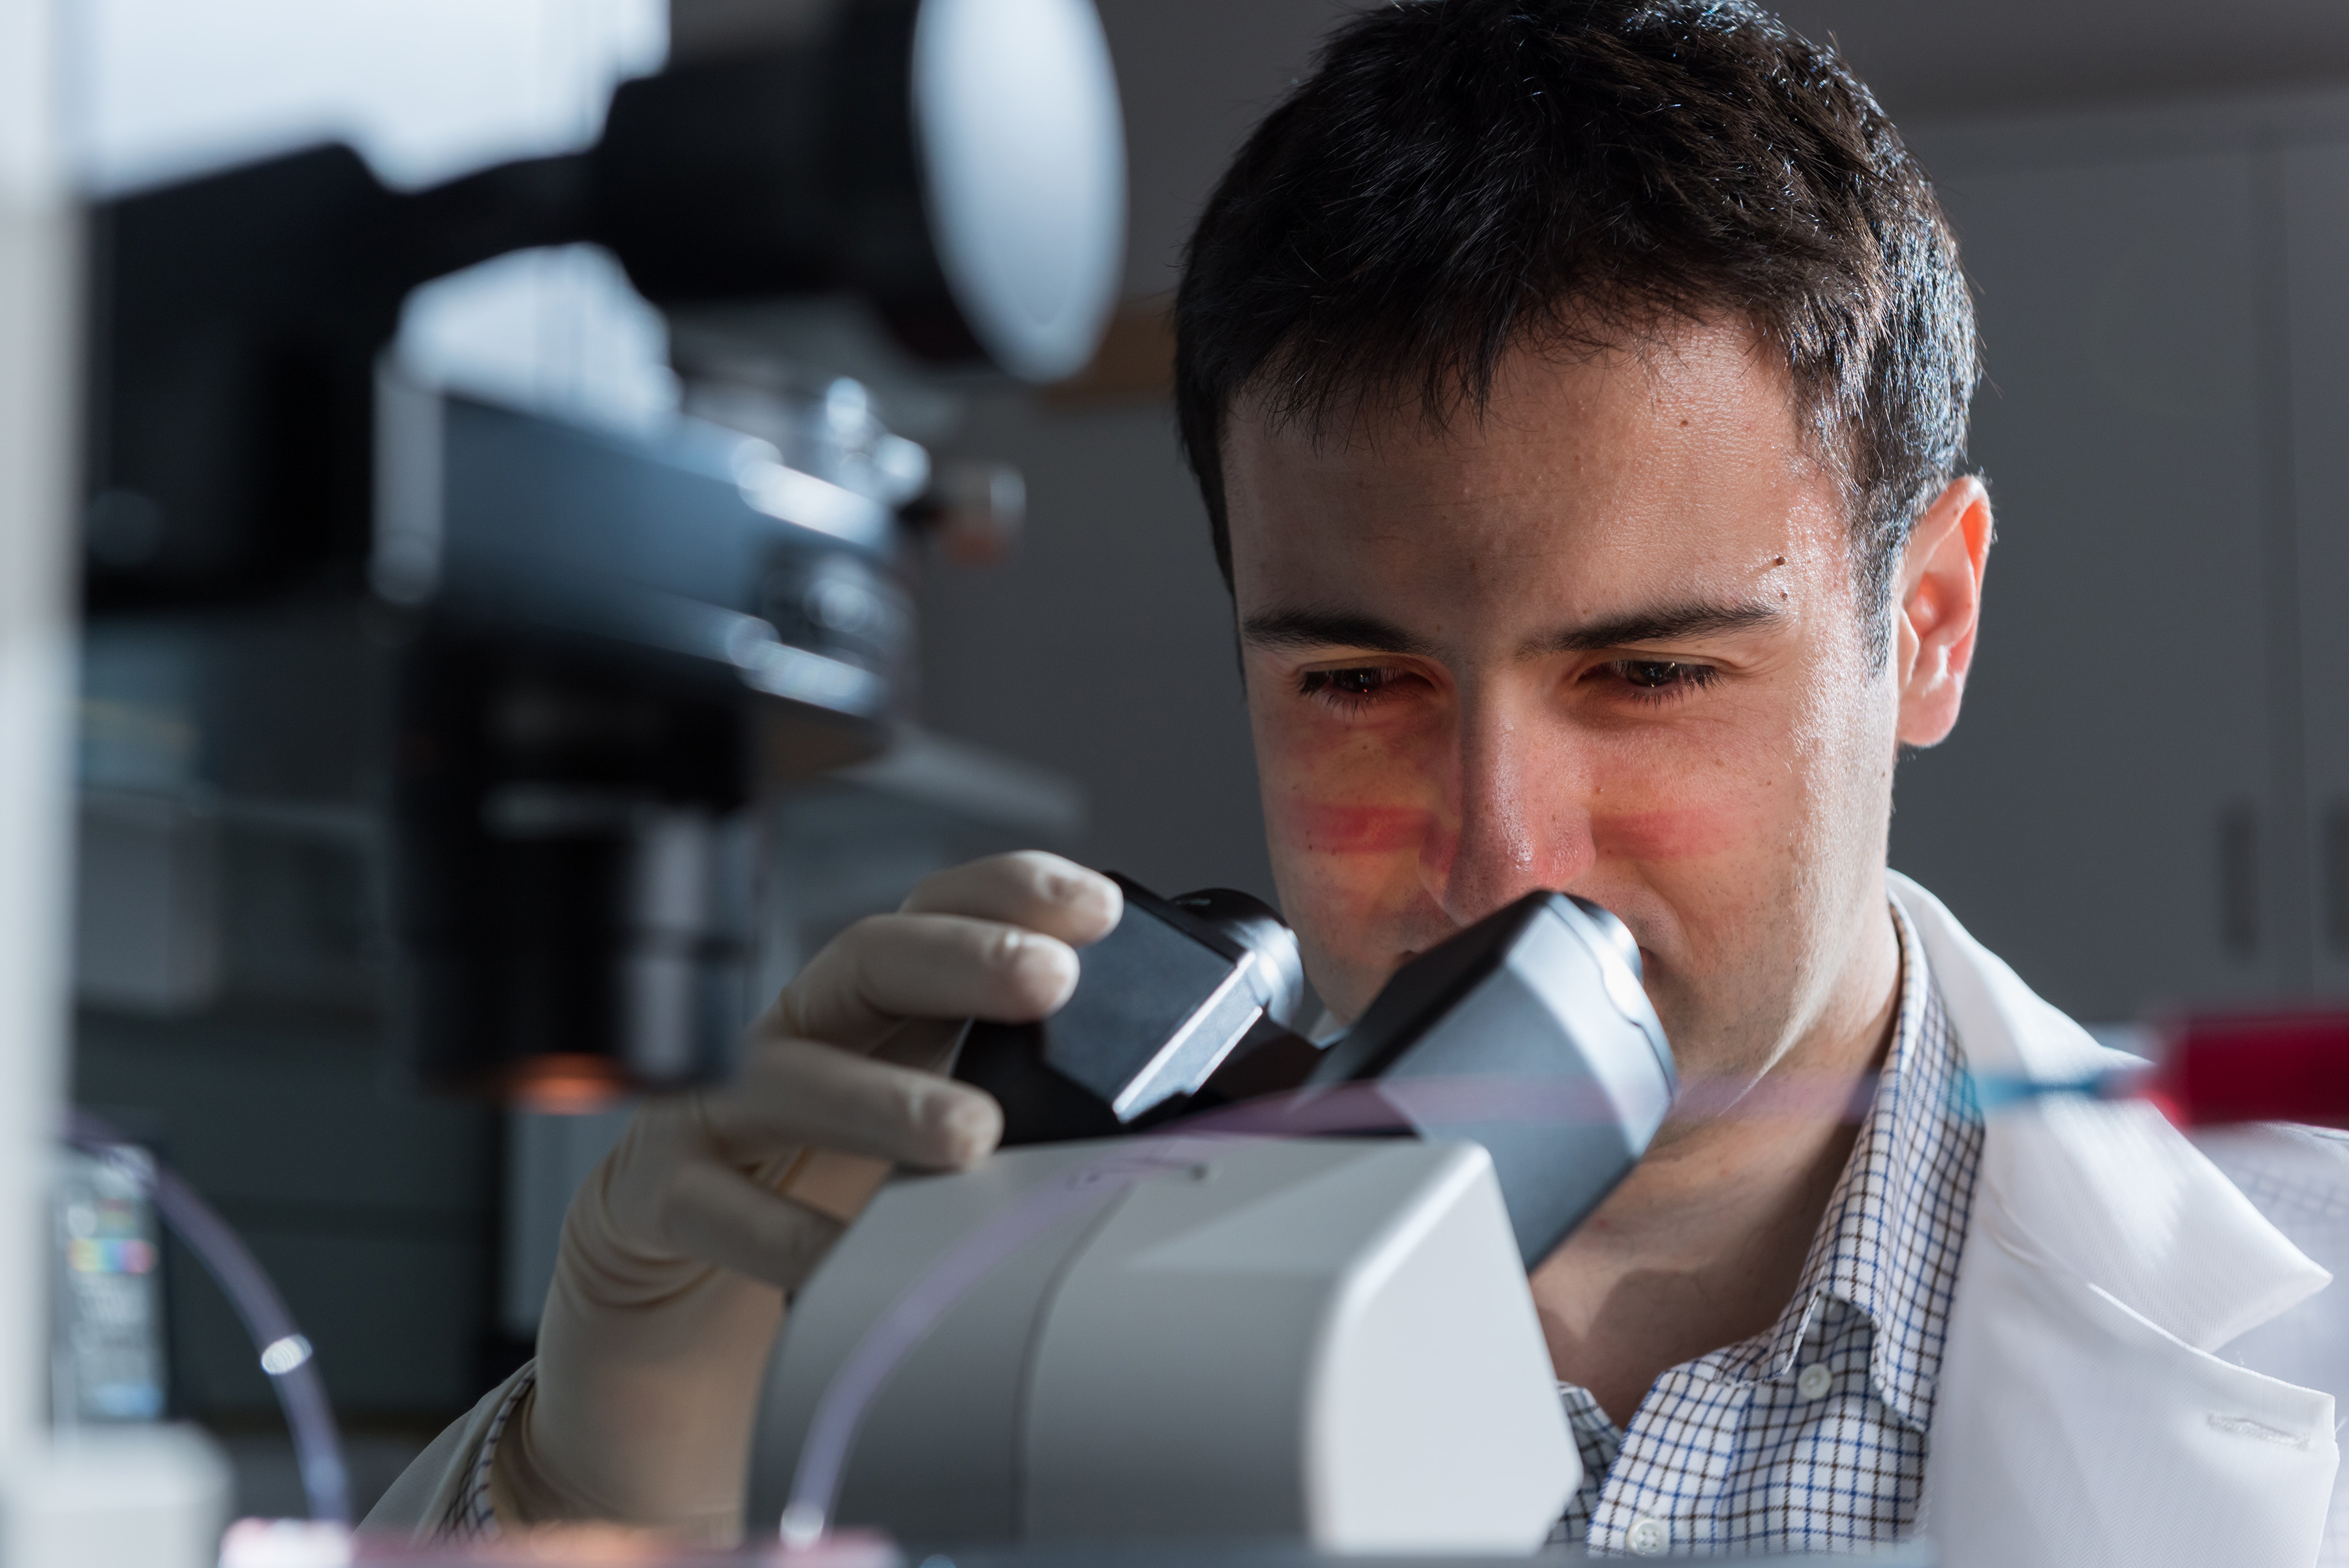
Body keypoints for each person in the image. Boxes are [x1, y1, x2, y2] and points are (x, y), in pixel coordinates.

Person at [371, 1, 2345, 1560]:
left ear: (1925, 622)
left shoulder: (2304, 1343)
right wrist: (590, 1484)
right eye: (1359, 681)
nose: (1495, 849)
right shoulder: (971, 1305)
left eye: (1648, 672)